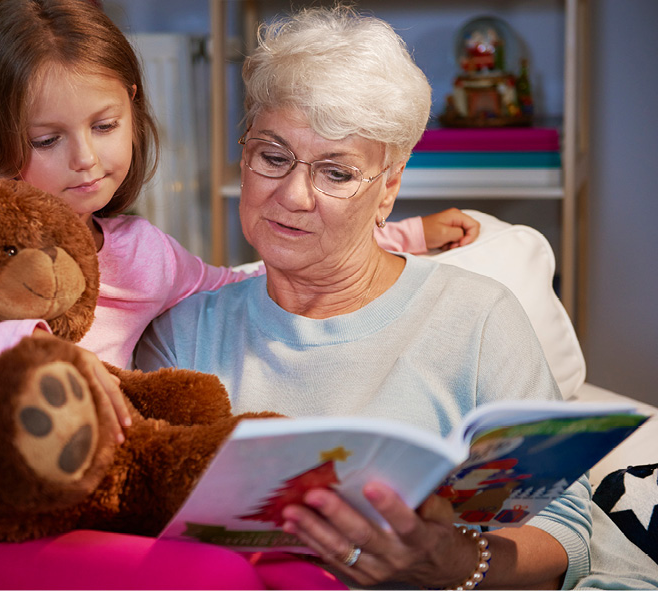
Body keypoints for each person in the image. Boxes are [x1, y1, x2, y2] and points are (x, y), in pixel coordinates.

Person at [0, 0, 478, 588]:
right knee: (214, 576)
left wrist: (400, 234)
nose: (85, 158)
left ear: (134, 107)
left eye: (105, 124)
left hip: (85, 509)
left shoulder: (140, 251)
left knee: (300, 566)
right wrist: (44, 364)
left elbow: (252, 276)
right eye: (46, 140)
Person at [134, 6, 596, 590]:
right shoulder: (182, 333)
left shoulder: (477, 317)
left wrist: (455, 562)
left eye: (337, 173)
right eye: (273, 157)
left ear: (389, 189)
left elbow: (565, 533)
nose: (295, 195)